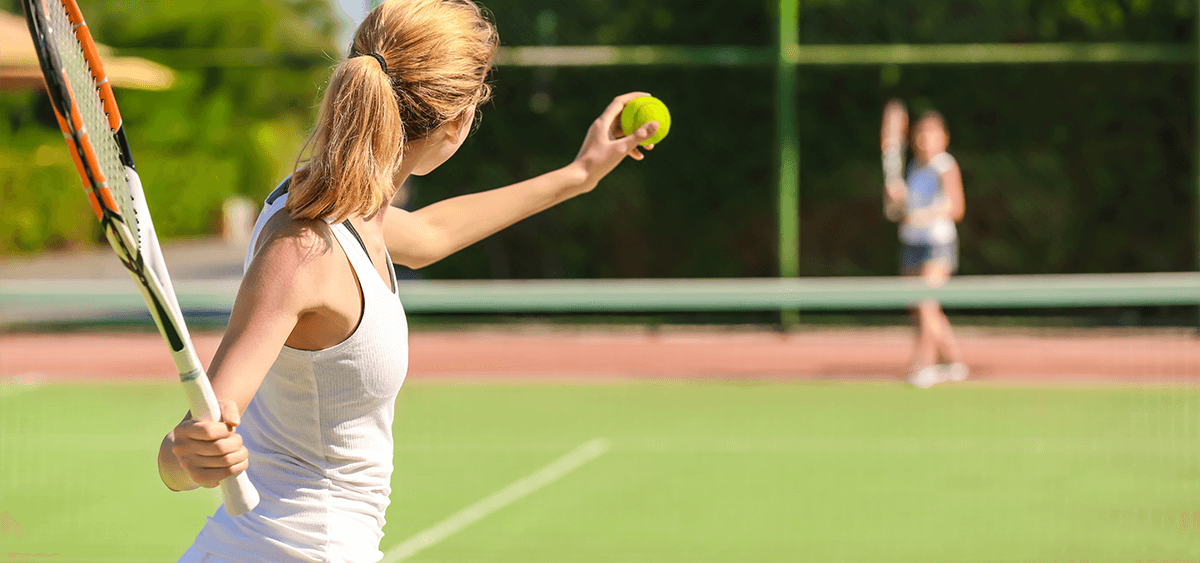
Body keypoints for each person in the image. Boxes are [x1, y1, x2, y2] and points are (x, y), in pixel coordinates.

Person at [157, 1, 661, 561]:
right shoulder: (304, 249)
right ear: (458, 123)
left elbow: (429, 233)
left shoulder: (338, 207)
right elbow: (182, 452)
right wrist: (188, 453)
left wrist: (578, 175)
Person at [881, 102, 967, 388]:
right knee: (919, 307)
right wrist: (895, 200)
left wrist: (926, 214)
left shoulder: (945, 165)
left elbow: (956, 207)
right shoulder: (913, 168)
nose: (926, 139)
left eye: (933, 133)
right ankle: (954, 362)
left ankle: (925, 365)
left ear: (945, 137)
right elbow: (899, 211)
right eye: (922, 133)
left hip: (938, 245)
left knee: (927, 303)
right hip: (912, 244)